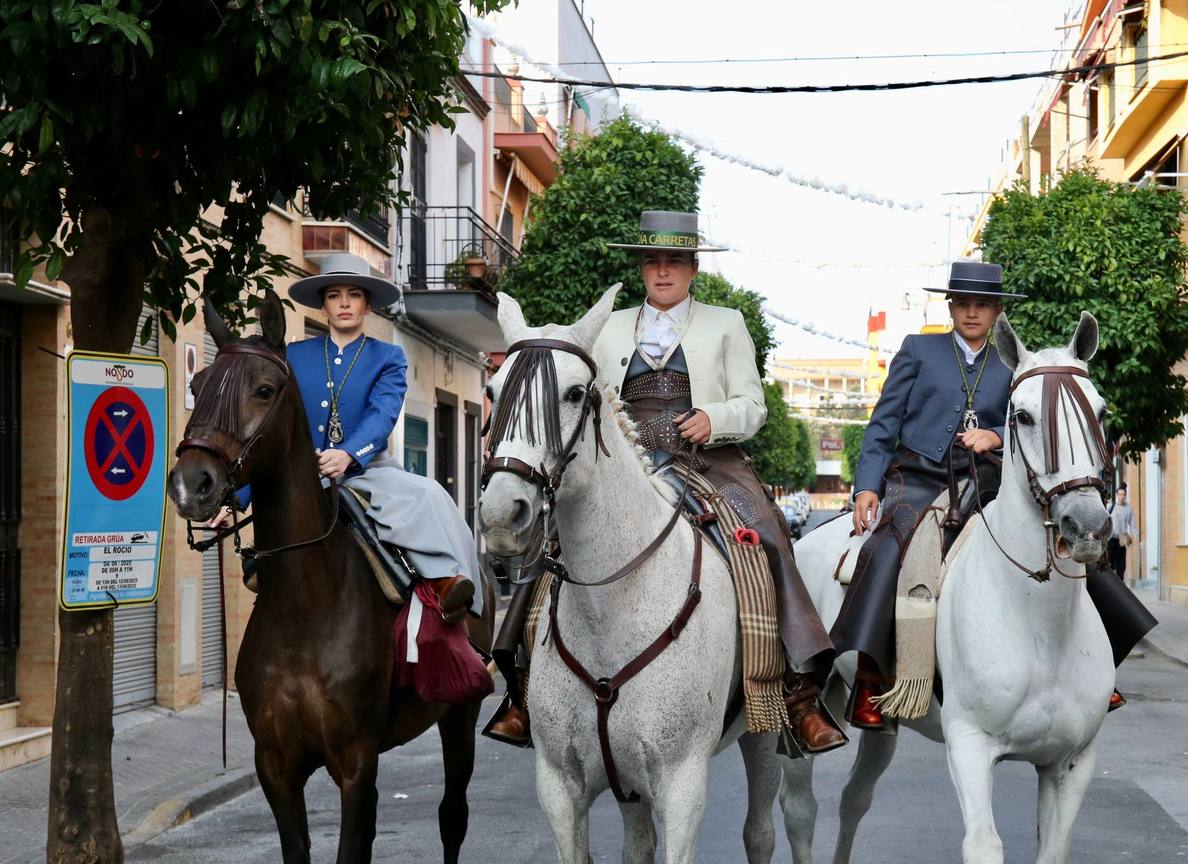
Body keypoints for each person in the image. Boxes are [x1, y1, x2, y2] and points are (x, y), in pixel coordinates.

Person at [486, 210, 847, 756]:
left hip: (707, 458)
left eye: (673, 261)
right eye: (652, 261)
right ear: (641, 268)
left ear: (692, 268)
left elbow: (753, 405)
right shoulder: (604, 325)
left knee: (766, 531)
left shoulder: (726, 323)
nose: (662, 271)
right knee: (555, 540)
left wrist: (714, 418)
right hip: (623, 460)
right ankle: (518, 685)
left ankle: (799, 693)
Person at [212, 252, 482, 617]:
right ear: (323, 304)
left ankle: (442, 579)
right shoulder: (293, 356)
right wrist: (237, 498)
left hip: (368, 473)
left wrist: (350, 453)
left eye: (353, 294)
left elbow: (382, 415)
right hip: (302, 476)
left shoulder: (388, 357)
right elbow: (268, 429)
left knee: (429, 493)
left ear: (366, 304)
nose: (343, 303)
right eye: (334, 295)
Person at [834, 260, 1017, 729]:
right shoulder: (918, 348)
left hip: (986, 479)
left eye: (983, 305)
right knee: (887, 546)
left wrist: (996, 434)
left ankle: (1095, 668)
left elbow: (1028, 424)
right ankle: (872, 678)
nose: (972, 312)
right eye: (964, 303)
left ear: (997, 310)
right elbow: (884, 422)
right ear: (951, 306)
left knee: (1055, 534)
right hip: (916, 475)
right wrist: (867, 486)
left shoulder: (1013, 362)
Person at [1107, 486, 1136, 580]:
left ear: (1126, 496)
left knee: (1121, 564)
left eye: (1124, 495)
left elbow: (1132, 524)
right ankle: (1110, 584)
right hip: (1110, 538)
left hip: (1121, 539)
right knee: (1109, 562)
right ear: (1116, 495)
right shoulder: (1110, 506)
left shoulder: (1128, 508)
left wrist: (1136, 536)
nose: (1122, 497)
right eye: (1120, 494)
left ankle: (1120, 582)